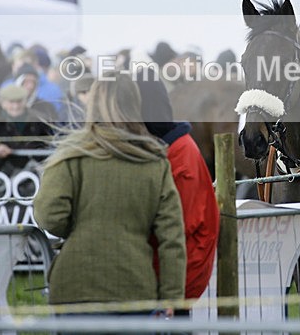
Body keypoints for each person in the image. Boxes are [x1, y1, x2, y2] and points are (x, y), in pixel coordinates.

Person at [33, 72, 186, 317]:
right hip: (134, 286)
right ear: (134, 104)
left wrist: (79, 229)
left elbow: (48, 215)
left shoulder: (71, 154)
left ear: (93, 103)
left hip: (75, 284)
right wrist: (172, 295)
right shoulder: (155, 163)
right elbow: (172, 237)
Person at [135, 69, 219, 314]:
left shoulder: (180, 156)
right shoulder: (171, 147)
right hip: (173, 271)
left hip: (179, 275)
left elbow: (181, 226)